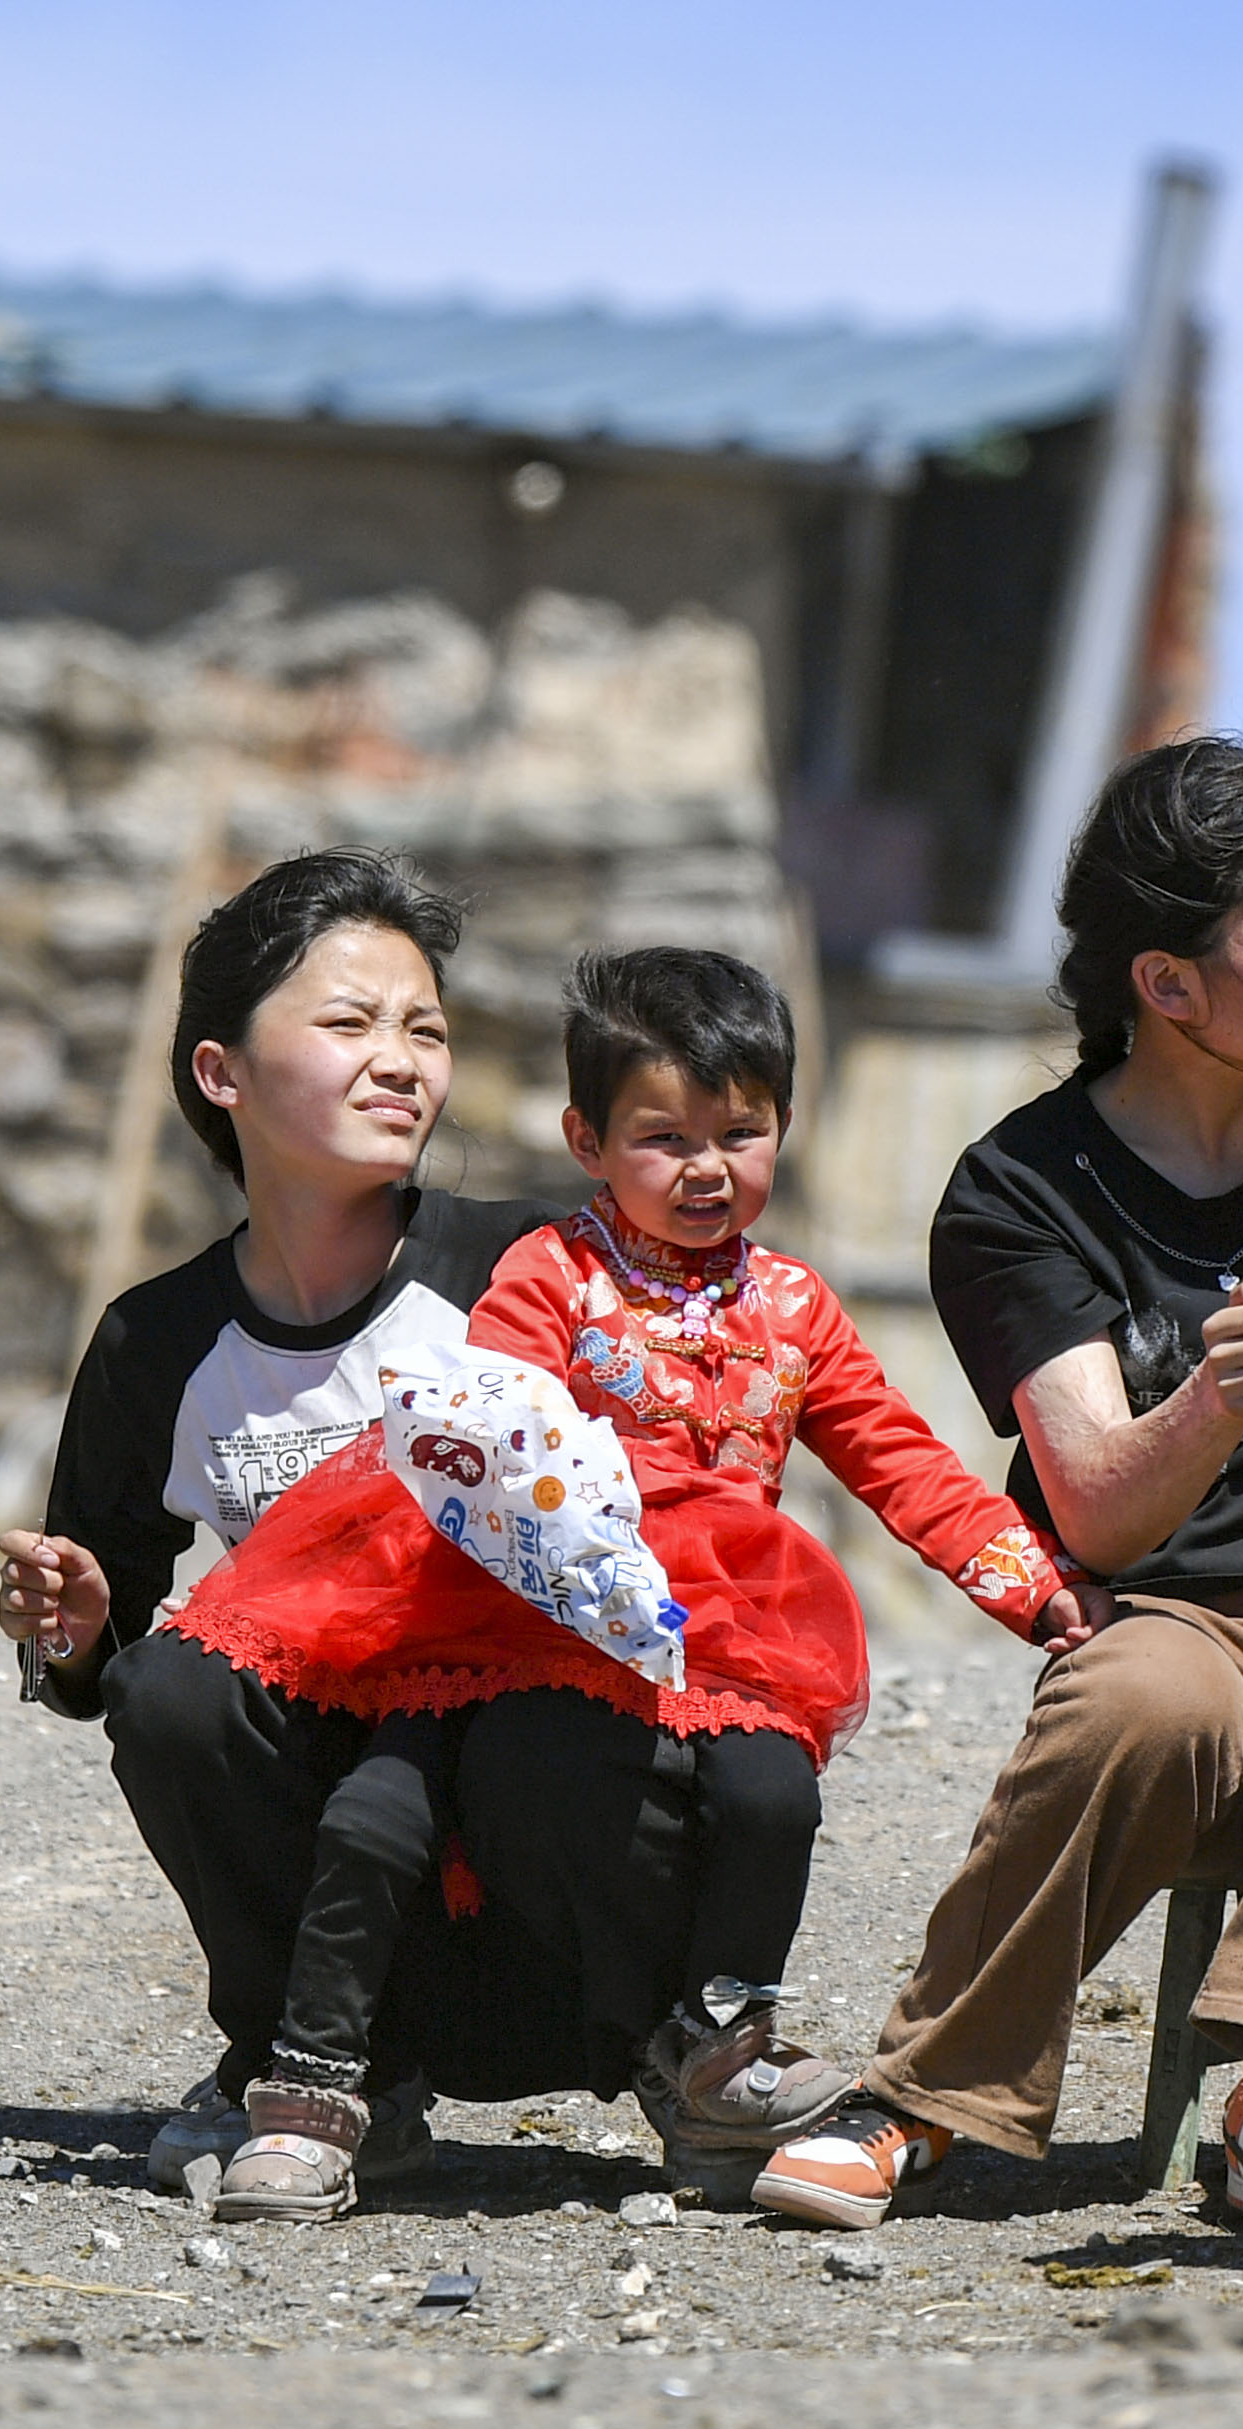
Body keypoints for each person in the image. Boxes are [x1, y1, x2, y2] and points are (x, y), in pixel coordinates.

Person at [171, 943, 1097, 2207]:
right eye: (665, 1136)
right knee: (378, 1814)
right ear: (588, 1141)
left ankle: (723, 2045)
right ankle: (317, 2088)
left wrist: (1035, 1589)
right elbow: (480, 1419)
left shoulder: (798, 1311)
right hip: (517, 1608)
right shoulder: (550, 1274)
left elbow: (904, 1462)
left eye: (743, 1130)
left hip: (722, 1632)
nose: (709, 1168)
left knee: (771, 1796)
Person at [747, 736, 1243, 2247]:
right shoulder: (1024, 1192)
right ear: (1168, 985)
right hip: (1182, 1612)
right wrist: (1210, 1399)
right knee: (1131, 1700)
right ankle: (926, 2097)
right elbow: (1093, 1512)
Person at [0, 850, 688, 2193]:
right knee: (176, 1692)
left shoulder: (527, 1273)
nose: (402, 1061)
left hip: (521, 1771)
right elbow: (109, 1656)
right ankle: (306, 2059)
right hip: (321, 1790)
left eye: (424, 1028)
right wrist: (72, 1632)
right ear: (220, 1074)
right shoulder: (155, 1343)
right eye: (350, 1023)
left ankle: (679, 2041)